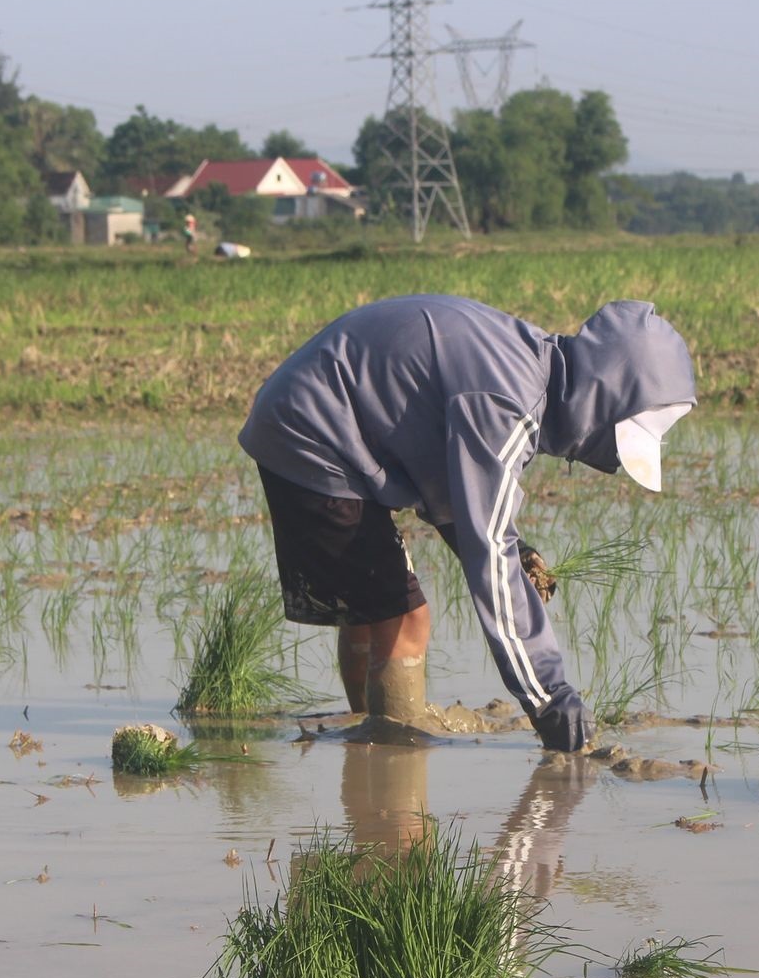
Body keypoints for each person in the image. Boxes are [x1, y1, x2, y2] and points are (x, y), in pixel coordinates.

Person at [239, 295, 695, 752]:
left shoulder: (523, 363)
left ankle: (369, 744)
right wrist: (548, 695)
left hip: (312, 417)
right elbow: (489, 557)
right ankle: (391, 778)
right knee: (403, 617)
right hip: (314, 434)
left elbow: (455, 494)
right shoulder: (506, 403)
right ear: (605, 396)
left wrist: (514, 553)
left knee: (371, 610)